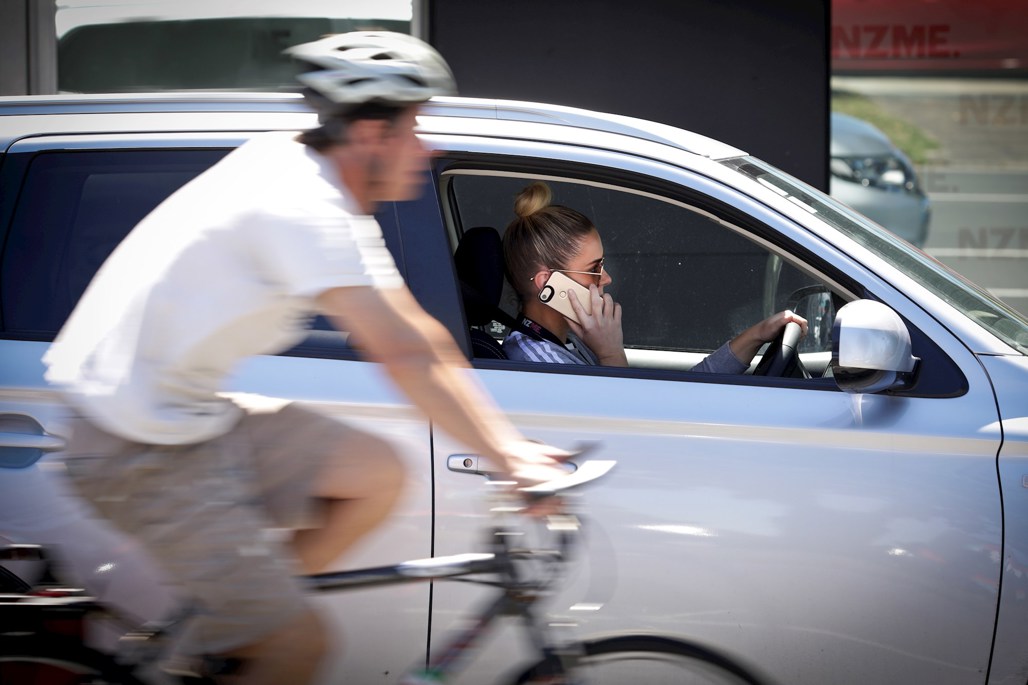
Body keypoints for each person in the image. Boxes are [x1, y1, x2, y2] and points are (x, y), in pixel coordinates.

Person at [43, 32, 569, 685]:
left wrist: (509, 445)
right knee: (299, 648)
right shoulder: (301, 204)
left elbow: (416, 331)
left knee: (376, 471)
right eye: (414, 127)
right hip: (133, 443)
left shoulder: (313, 180)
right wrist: (509, 460)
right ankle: (255, 638)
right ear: (371, 133)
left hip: (186, 417)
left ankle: (225, 636)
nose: (427, 146)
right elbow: (401, 353)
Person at [501, 181, 807, 370]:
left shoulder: (568, 342)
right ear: (547, 284)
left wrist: (755, 336)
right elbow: (627, 428)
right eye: (594, 268)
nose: (606, 278)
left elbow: (673, 400)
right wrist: (610, 353)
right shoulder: (537, 363)